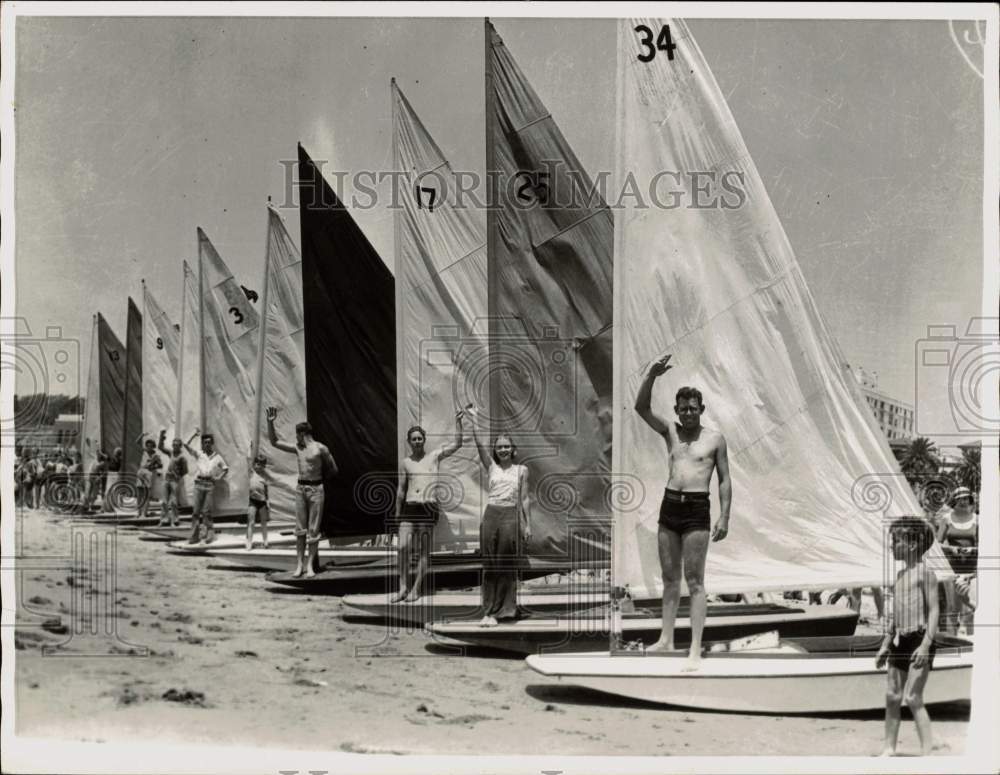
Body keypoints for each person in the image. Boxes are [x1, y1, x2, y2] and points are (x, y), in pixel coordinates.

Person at [634, 354, 732, 671]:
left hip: (697, 509)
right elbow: (641, 408)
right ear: (677, 411)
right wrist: (651, 375)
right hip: (670, 506)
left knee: (695, 581)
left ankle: (694, 648)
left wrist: (725, 516)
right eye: (683, 409)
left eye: (693, 408)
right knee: (669, 578)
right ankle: (666, 639)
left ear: (701, 409)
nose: (688, 413)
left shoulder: (715, 439)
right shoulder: (671, 432)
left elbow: (724, 479)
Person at [875, 517, 939, 756]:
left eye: (896, 541)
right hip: (900, 641)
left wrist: (925, 645)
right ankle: (889, 749)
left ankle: (927, 754)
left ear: (912, 545)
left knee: (912, 697)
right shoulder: (900, 575)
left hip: (920, 640)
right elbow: (896, 614)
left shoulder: (926, 574)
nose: (891, 545)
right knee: (892, 696)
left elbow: (934, 611)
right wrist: (885, 644)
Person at [392, 412, 466, 602]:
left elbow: (457, 444)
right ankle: (403, 587)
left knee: (424, 551)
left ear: (424, 440)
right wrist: (397, 514)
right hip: (410, 507)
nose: (417, 442)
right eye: (414, 439)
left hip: (428, 508)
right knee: (402, 547)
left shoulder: (434, 456)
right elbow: (401, 490)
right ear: (409, 442)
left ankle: (416, 589)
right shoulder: (406, 463)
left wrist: (458, 422)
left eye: (420, 438)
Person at [468, 406, 531, 627]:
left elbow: (525, 499)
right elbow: (479, 444)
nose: (503, 450)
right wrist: (474, 419)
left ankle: (506, 611)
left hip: (510, 515)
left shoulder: (522, 470)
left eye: (506, 446)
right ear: (495, 450)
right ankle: (489, 611)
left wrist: (527, 525)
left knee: (506, 564)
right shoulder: (492, 467)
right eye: (499, 447)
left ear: (513, 449)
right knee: (489, 563)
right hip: (491, 514)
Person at [266, 407, 338, 578]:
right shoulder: (298, 448)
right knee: (300, 529)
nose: (296, 438)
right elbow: (275, 442)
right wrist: (270, 423)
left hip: (316, 490)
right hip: (301, 489)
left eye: (297, 434)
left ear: (302, 434)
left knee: (313, 530)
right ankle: (299, 565)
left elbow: (334, 469)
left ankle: (310, 565)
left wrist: (319, 480)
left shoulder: (320, 448)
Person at [935, 486, 977, 633]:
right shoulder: (947, 519)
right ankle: (951, 639)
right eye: (960, 499)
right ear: (955, 501)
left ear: (970, 500)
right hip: (951, 567)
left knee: (969, 607)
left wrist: (972, 549)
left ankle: (972, 639)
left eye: (966, 498)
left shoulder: (977, 519)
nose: (963, 502)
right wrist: (951, 548)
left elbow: (986, 546)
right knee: (952, 607)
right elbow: (937, 544)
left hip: (971, 568)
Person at [182, 430, 228, 545]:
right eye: (205, 442)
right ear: (202, 444)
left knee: (207, 511)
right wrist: (194, 434)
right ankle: (194, 536)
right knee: (196, 512)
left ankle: (209, 535)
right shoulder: (199, 454)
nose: (207, 444)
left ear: (212, 443)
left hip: (209, 485)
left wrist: (218, 478)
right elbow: (185, 445)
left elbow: (225, 469)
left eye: (209, 442)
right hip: (199, 483)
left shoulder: (217, 457)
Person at [158, 430, 191, 527]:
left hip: (174, 481)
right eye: (173, 445)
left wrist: (178, 476)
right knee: (164, 501)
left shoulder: (182, 457)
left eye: (176, 445)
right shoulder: (171, 453)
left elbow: (185, 471)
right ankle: (164, 519)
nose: (174, 446)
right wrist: (161, 436)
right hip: (167, 479)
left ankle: (175, 520)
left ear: (180, 446)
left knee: (173, 502)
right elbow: (160, 447)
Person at [247, 453, 270, 550]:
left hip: (262, 501)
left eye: (261, 465)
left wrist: (268, 502)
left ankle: (265, 541)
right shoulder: (251, 473)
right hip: (252, 500)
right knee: (251, 522)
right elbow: (248, 460)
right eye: (257, 464)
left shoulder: (265, 477)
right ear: (254, 464)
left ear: (264, 466)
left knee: (263, 522)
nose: (259, 466)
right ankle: (249, 542)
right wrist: (249, 450)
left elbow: (266, 491)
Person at [136, 436, 163, 518]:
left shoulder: (156, 455)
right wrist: (142, 435)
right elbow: (137, 443)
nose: (149, 447)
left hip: (149, 473)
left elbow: (160, 465)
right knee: (139, 493)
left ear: (153, 446)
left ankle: (144, 512)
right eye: (147, 446)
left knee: (147, 493)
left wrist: (153, 466)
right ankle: (139, 512)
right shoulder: (144, 452)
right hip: (141, 471)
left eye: (151, 446)